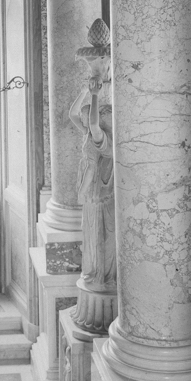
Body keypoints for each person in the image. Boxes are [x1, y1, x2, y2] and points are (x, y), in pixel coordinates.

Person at [68, 18, 116, 294]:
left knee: (102, 240)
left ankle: (102, 278)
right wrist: (86, 91)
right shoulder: (90, 136)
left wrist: (95, 96)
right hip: (90, 191)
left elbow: (95, 124)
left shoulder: (104, 143)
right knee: (92, 238)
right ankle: (94, 274)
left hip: (101, 192)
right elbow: (75, 115)